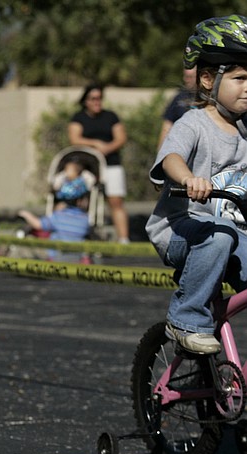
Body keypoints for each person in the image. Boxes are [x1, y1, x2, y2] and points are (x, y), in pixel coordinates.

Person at [145, 14, 247, 355]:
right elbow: (170, 157)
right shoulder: (194, 122)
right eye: (240, 78)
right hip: (180, 229)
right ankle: (187, 319)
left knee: (224, 236)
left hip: (233, 234)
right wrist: (189, 178)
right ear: (207, 79)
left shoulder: (245, 131)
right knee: (216, 235)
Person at [68, 84, 130, 243]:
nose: (97, 102)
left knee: (116, 201)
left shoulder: (110, 116)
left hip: (111, 164)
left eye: (99, 98)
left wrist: (107, 148)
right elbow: (75, 139)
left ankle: (124, 239)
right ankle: (83, 234)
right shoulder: (78, 118)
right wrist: (95, 144)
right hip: (88, 167)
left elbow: (121, 138)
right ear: (86, 100)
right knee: (84, 200)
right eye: (93, 99)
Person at [18, 164, 91, 261]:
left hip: (56, 258)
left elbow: (38, 225)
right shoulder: (85, 219)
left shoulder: (58, 216)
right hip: (76, 258)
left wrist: (25, 214)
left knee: (25, 246)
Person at [157, 66, 198, 150]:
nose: (186, 79)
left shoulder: (208, 98)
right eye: (185, 76)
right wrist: (160, 150)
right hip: (180, 147)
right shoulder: (179, 97)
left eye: (189, 77)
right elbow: (167, 125)